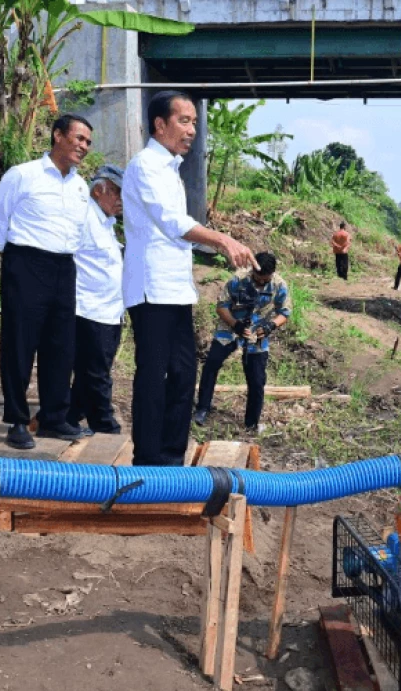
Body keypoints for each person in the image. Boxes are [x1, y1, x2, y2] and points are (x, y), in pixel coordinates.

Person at [122, 90, 258, 467]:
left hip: (175, 289)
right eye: (184, 121)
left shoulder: (171, 169)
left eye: (194, 122)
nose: (192, 130)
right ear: (159, 124)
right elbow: (171, 223)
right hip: (150, 289)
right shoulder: (145, 165)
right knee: (154, 374)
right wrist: (221, 238)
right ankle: (148, 460)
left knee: (183, 372)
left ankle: (171, 457)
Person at [0, 114, 92, 449]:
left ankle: (54, 417)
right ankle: (17, 419)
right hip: (26, 263)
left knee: (61, 346)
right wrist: (14, 258)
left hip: (64, 267)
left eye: (88, 142)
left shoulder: (79, 185)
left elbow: (78, 231)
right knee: (20, 343)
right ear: (57, 136)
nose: (83, 147)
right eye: (78, 138)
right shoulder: (23, 175)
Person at [193, 252, 291, 433]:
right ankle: (202, 408)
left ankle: (251, 423)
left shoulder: (279, 285)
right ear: (253, 270)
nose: (260, 283)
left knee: (257, 378)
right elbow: (221, 306)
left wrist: (270, 326)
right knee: (211, 365)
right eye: (257, 279)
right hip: (230, 327)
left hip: (257, 332)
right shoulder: (237, 280)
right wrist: (235, 325)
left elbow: (284, 312)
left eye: (264, 280)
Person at [67, 164, 125, 436]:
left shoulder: (106, 222)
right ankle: (104, 424)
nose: (121, 201)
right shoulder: (85, 216)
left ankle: (69, 413)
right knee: (97, 373)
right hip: (90, 309)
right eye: (116, 193)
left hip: (110, 310)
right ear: (99, 190)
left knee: (92, 371)